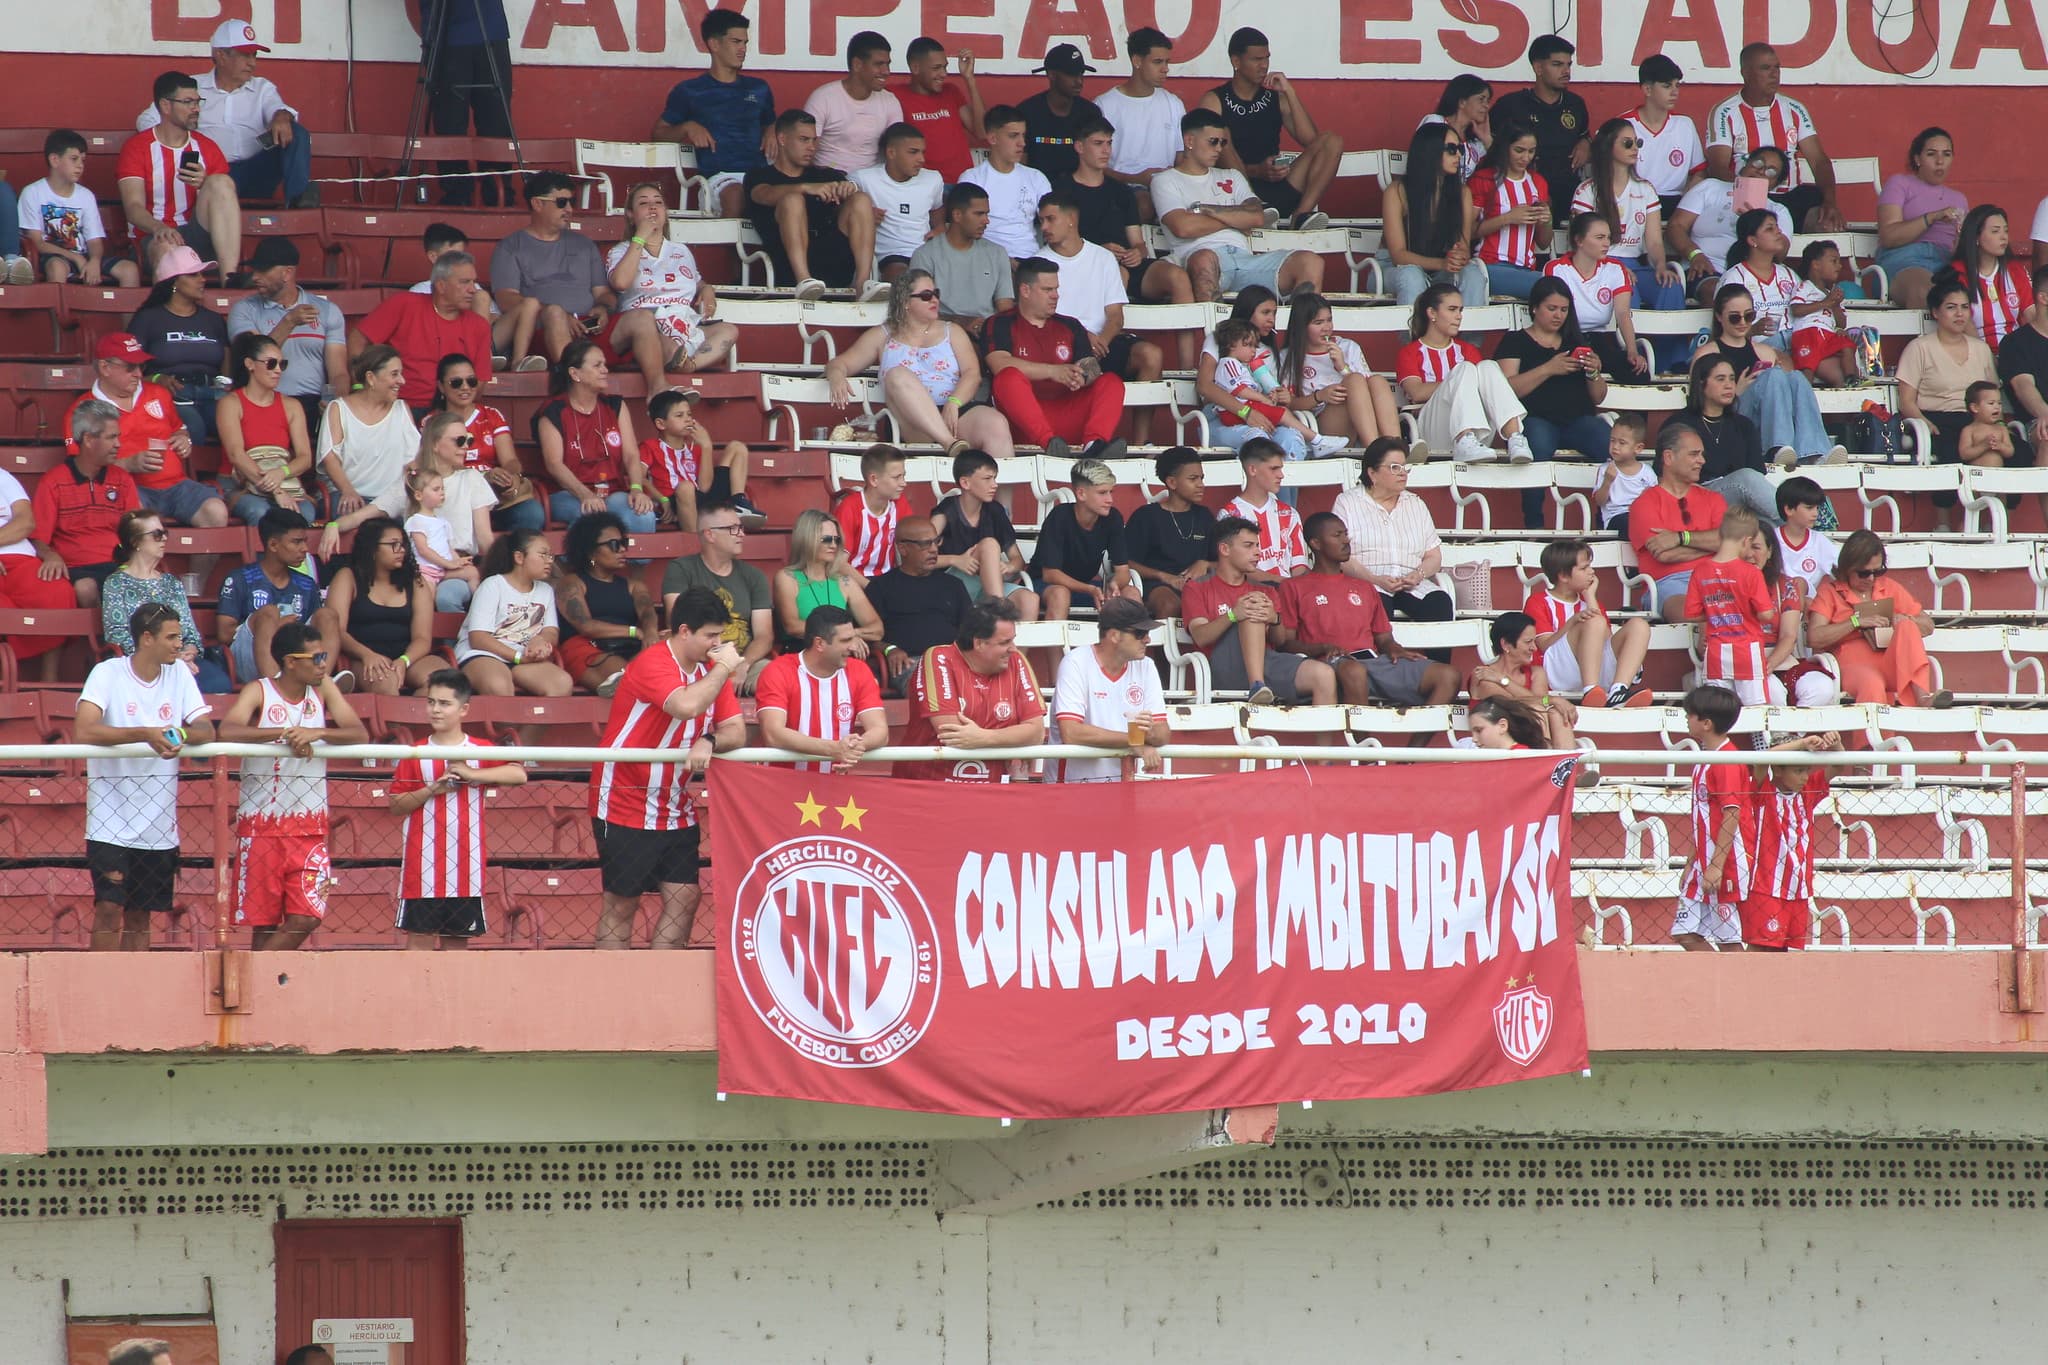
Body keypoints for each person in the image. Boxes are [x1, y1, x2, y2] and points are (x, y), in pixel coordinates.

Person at [589, 585, 744, 947]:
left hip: (674, 803)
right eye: (710, 635)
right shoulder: (654, 662)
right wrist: (723, 669)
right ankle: (609, 994)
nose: (717, 643)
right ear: (684, 631)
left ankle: (660, 987)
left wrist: (711, 740)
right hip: (624, 798)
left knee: (685, 898)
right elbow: (685, 706)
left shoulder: (710, 672)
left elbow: (736, 730)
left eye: (720, 635)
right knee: (622, 905)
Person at [219, 620, 368, 950]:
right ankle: (259, 990)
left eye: (324, 655)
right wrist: (282, 734)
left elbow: (359, 733)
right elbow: (228, 730)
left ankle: (252, 977)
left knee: (307, 916)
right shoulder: (258, 690)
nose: (323, 664)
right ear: (290, 661)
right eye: (316, 657)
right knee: (264, 924)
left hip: (309, 825)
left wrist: (318, 732)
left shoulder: (324, 688)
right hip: (261, 825)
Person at [76, 603, 215, 951]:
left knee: (141, 915)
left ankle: (130, 993)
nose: (178, 644)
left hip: (158, 824)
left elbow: (205, 729)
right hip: (109, 819)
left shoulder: (180, 675)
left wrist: (178, 735)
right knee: (108, 908)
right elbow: (85, 729)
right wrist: (145, 734)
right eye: (172, 637)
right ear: (147, 638)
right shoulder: (107, 673)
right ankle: (100, 988)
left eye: (179, 637)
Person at [388, 668, 526, 949]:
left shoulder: (480, 749)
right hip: (422, 868)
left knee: (457, 950)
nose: (435, 710)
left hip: (467, 869)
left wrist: (474, 775)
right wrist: (431, 790)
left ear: (463, 709)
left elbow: (519, 775)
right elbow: (395, 804)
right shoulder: (416, 752)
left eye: (444, 703)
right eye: (431, 702)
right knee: (419, 948)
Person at [1284, 513, 1458, 708]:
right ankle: (1364, 739)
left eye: (1346, 534)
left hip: (1372, 663)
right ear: (1316, 543)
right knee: (1353, 670)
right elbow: (1286, 644)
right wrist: (1322, 648)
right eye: (1337, 535)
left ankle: (1415, 740)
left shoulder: (1365, 587)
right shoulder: (1294, 587)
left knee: (1448, 676)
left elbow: (1383, 638)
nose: (1345, 540)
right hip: (1327, 664)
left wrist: (1395, 649)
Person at [1056, 117, 1196, 358]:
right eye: (1098, 143)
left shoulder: (1121, 191)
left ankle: (1188, 367)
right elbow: (1058, 240)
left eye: (1109, 143)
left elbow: (1138, 242)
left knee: (1178, 276)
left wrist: (1136, 252)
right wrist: (1100, 251)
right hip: (1085, 266)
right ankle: (1114, 348)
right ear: (1079, 147)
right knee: (1118, 272)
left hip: (1126, 263)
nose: (1106, 150)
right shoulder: (1062, 189)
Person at [1899, 274, 2034, 522]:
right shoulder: (1919, 348)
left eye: (1964, 307)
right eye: (1951, 308)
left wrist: (2000, 425)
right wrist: (1925, 423)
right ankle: (1943, 521)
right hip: (1939, 420)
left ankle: (1993, 522)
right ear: (1935, 312)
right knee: (1949, 453)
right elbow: (1906, 400)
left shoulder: (1981, 349)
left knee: (2019, 452)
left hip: (1979, 419)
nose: (1960, 314)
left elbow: (1993, 396)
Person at [1152, 109, 1323, 306]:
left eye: (1223, 142)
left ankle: (1300, 333)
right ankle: (1212, 336)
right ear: (1190, 141)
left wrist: (1209, 210)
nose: (1219, 148)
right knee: (1203, 259)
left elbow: (1257, 217)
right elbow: (1183, 227)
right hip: (1202, 258)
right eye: (1212, 141)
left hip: (1246, 259)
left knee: (1311, 262)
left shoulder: (1232, 176)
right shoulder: (1165, 180)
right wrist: (1236, 220)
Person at [134, 20, 312, 207]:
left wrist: (281, 117)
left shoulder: (262, 88)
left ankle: (297, 204)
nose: (252, 63)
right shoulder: (193, 86)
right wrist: (181, 142)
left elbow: (279, 110)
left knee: (297, 132)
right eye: (245, 55)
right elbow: (146, 120)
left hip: (256, 172)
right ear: (220, 55)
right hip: (209, 173)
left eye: (254, 55)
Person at [66, 331, 226, 530]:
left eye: (141, 366)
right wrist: (127, 464)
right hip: (127, 488)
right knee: (140, 521)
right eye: (130, 367)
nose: (139, 374)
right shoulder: (83, 410)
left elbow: (179, 429)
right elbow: (79, 469)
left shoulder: (158, 393)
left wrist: (183, 439)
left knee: (216, 512)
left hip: (176, 485)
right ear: (105, 367)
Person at [1196, 27, 1342, 230]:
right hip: (1236, 195)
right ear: (1236, 61)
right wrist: (1257, 171)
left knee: (1332, 141)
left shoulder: (1275, 98)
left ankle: (1300, 216)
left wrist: (1289, 92)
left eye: (1267, 58)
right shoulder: (1214, 100)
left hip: (1278, 188)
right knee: (1222, 132)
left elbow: (1311, 140)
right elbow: (1204, 157)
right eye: (1256, 59)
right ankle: (1253, 207)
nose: (1264, 65)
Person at [1180, 516, 1336, 706]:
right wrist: (1233, 615)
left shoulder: (1267, 590)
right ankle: (1257, 685)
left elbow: (1279, 641)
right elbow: (1201, 636)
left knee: (1324, 675)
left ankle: (1260, 687)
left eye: (1257, 546)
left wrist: (1274, 618)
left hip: (1268, 662)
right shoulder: (1198, 587)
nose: (1257, 552)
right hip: (1223, 666)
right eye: (1248, 546)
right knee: (1251, 607)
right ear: (1224, 549)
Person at [1035, 191, 1164, 418]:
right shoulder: (1039, 263)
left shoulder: (1102, 257)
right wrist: (1082, 337)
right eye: (1041, 221)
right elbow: (1042, 316)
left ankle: (1144, 443)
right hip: (1063, 344)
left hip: (1102, 343)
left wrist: (1101, 342)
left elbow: (1115, 315)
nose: (1044, 226)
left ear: (1071, 219)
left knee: (1151, 355)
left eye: (1050, 219)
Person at [1495, 276, 1610, 525]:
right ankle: (1534, 524)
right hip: (1536, 418)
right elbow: (1506, 389)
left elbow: (1599, 396)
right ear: (1535, 307)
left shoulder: (1576, 342)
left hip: (1578, 419)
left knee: (1608, 441)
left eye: (1564, 310)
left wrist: (1593, 372)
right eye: (1552, 308)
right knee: (1537, 446)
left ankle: (1608, 518)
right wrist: (1548, 368)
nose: (1558, 315)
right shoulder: (1515, 340)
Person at [605, 182, 738, 395]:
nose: (652, 207)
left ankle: (688, 365)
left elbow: (695, 280)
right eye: (644, 203)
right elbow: (620, 282)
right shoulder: (621, 251)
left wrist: (706, 288)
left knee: (729, 330)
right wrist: (640, 238)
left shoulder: (681, 250)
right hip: (647, 326)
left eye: (658, 202)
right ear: (630, 215)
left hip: (682, 322)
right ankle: (676, 367)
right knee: (664, 342)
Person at [986, 257, 1128, 456]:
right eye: (1047, 290)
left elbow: (1090, 364)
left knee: (1111, 381)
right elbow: (999, 363)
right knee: (1007, 377)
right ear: (1025, 290)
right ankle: (1050, 444)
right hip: (1022, 421)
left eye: (1056, 289)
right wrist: (1053, 371)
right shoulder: (1000, 323)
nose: (1055, 296)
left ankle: (1094, 445)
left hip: (1066, 413)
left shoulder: (1070, 325)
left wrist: (1082, 375)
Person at [895, 598, 1046, 782]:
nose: (1013, 649)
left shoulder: (1016, 661)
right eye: (1004, 642)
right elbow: (952, 734)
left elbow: (1036, 732)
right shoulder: (937, 658)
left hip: (989, 794)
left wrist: (984, 737)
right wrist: (1013, 734)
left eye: (1013, 640)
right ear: (979, 643)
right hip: (929, 786)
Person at [1330, 438, 1456, 653]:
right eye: (1394, 467)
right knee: (1376, 603)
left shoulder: (1415, 503)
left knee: (1440, 602)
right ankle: (1380, 676)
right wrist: (1374, 579)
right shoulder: (1348, 502)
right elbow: (1341, 556)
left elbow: (1434, 555)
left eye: (1404, 467)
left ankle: (1436, 675)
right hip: (1367, 581)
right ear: (1372, 473)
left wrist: (1418, 574)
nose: (1403, 473)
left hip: (1410, 582)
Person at [1694, 283, 1839, 469]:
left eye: (1749, 316)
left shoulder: (1766, 352)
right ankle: (1776, 448)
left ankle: (1814, 452)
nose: (1743, 323)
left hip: (1762, 418)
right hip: (1729, 417)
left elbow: (1789, 394)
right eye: (1734, 318)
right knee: (1774, 376)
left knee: (1796, 378)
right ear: (1719, 317)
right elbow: (1697, 404)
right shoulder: (1707, 353)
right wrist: (1736, 391)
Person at [1705, 43, 1844, 232]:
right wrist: (1750, 196)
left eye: (1777, 67)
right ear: (1745, 72)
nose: (1774, 74)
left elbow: (1819, 161)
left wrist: (1830, 202)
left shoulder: (1794, 109)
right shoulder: (1725, 112)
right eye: (1765, 68)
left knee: (1829, 226)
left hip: (1792, 198)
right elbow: (1717, 167)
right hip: (1748, 202)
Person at [744, 110, 882, 299]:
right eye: (803, 139)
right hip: (787, 265)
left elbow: (854, 203)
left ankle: (863, 283)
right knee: (793, 199)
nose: (811, 147)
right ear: (782, 139)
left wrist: (846, 189)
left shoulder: (826, 175)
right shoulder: (759, 175)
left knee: (861, 199)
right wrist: (805, 188)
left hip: (833, 261)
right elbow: (763, 195)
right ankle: (805, 282)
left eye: (814, 140)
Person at [651, 10, 775, 219]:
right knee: (736, 195)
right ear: (714, 44)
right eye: (736, 42)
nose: (742, 49)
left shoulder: (759, 88)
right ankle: (729, 253)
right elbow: (657, 134)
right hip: (718, 179)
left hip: (760, 176)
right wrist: (687, 127)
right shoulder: (690, 90)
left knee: (790, 197)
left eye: (745, 43)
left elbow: (771, 123)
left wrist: (773, 130)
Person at [118, 70, 241, 275]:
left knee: (220, 182)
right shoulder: (137, 148)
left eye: (197, 101)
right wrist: (159, 228)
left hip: (195, 234)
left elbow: (223, 205)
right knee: (167, 248)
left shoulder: (207, 148)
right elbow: (133, 207)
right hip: (153, 237)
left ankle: (229, 280)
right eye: (187, 102)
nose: (195, 109)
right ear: (166, 106)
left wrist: (205, 185)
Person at [1808, 529, 1948, 708]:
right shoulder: (1830, 592)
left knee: (1907, 625)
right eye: (1864, 573)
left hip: (1890, 661)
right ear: (1847, 568)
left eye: (1878, 571)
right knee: (1872, 683)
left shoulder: (1888, 587)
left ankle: (1922, 697)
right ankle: (1877, 737)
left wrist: (1904, 619)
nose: (1871, 578)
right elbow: (1814, 638)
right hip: (1850, 664)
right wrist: (1855, 622)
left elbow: (1928, 625)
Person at [491, 172, 613, 372]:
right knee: (555, 313)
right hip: (542, 329)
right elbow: (506, 299)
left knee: (640, 318)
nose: (569, 209)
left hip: (589, 326)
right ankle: (575, 382)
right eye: (562, 202)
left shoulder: (585, 245)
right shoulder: (510, 247)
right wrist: (558, 313)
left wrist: (603, 309)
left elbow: (603, 293)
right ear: (538, 204)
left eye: (571, 202)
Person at [1396, 284, 1531, 463]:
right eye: (1452, 310)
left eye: (1460, 310)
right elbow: (1417, 392)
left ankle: (1515, 438)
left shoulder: (1468, 350)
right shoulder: (1410, 352)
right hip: (1431, 431)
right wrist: (1455, 380)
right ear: (1432, 313)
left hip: (1478, 434)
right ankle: (1464, 439)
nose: (1459, 316)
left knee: (1488, 366)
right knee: (1465, 369)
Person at [101, 509, 232, 693]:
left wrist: (189, 652)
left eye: (164, 533)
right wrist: (164, 656)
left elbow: (190, 631)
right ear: (136, 542)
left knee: (219, 684)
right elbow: (117, 636)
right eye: (157, 534)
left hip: (180, 659)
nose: (163, 539)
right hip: (141, 664)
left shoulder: (172, 583)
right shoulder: (115, 583)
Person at [534, 339, 657, 534]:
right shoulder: (554, 411)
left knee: (643, 515)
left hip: (612, 491)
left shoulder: (615, 405)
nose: (605, 370)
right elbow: (554, 464)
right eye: (597, 365)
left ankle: (633, 565)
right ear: (575, 374)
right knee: (592, 518)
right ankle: (584, 565)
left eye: (605, 364)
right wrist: (585, 495)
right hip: (567, 493)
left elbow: (632, 455)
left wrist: (636, 489)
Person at [228, 237, 347, 436]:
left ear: (287, 273)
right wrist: (289, 321)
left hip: (311, 402)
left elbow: (339, 373)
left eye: (263, 271)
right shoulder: (243, 309)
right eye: (254, 270)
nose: (255, 277)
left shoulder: (327, 311)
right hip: (263, 401)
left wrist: (336, 403)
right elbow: (254, 359)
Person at [348, 251, 493, 409]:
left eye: (474, 282)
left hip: (449, 413)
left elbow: (479, 383)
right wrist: (359, 387)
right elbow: (357, 339)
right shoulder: (404, 304)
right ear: (441, 285)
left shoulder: (479, 325)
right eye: (465, 282)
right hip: (396, 407)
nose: (473, 289)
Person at [34, 399, 141, 610]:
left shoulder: (123, 479)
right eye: (111, 437)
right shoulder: (53, 481)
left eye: (118, 437)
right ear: (89, 439)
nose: (118, 444)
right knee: (85, 588)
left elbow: (135, 532)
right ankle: (107, 641)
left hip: (118, 564)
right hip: (76, 568)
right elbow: (38, 540)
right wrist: (50, 555)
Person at [755, 604, 889, 770]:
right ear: (819, 643)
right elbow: (773, 734)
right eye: (845, 640)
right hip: (781, 784)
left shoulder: (859, 670)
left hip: (835, 786)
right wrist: (834, 749)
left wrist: (855, 746)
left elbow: (880, 731)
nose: (854, 646)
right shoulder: (778, 671)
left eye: (853, 638)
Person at [1571, 117, 1685, 313]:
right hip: (1600, 266)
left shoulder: (1646, 189)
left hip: (1637, 265)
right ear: (1608, 147)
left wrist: (1660, 265)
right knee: (1627, 289)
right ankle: (1629, 344)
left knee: (1671, 286)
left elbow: (1655, 242)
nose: (1635, 148)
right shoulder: (1587, 191)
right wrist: (1615, 268)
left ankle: (1667, 345)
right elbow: (1580, 244)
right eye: (1627, 143)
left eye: (1637, 143)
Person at [1050, 596, 1169, 781]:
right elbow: (1071, 733)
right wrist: (1133, 741)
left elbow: (1163, 733)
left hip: (1121, 786)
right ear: (1114, 635)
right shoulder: (1075, 663)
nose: (1147, 639)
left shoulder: (1147, 666)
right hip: (1070, 787)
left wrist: (1151, 733)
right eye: (1139, 633)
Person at [1742, 733, 1842, 951]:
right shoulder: (1763, 791)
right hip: (1766, 887)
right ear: (1777, 770)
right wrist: (1801, 744)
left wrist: (1837, 745)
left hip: (1799, 890)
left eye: (1806, 770)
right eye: (1798, 771)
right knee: (1760, 949)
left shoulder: (1807, 792)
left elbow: (1838, 765)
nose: (1804, 777)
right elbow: (1761, 760)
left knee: (1786, 953)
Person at [661, 503, 773, 695]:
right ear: (709, 534)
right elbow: (679, 624)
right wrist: (721, 668)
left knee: (775, 679)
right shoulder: (681, 569)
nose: (741, 534)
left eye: (741, 528)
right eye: (732, 529)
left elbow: (764, 636)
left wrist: (742, 664)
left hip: (743, 661)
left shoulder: (754, 576)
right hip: (696, 659)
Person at [1524, 538, 1650, 707]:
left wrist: (1590, 596)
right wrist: (1573, 622)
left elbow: (1605, 640)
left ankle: (1618, 691)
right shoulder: (1538, 601)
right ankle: (1590, 690)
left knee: (1639, 625)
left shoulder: (1590, 602)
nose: (1592, 572)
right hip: (1559, 670)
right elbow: (1544, 645)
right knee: (1593, 621)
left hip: (1596, 666)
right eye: (1584, 568)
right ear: (1563, 576)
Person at [1674, 683, 1753, 950]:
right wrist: (1692, 860)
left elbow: (1732, 814)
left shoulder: (1726, 761)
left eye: (1690, 714)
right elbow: (1703, 817)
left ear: (1706, 723)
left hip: (1725, 862)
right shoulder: (1706, 759)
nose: (1686, 718)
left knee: (1728, 940)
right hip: (1704, 861)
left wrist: (1717, 865)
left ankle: (1733, 989)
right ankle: (1718, 986)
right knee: (1685, 933)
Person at [430, 352, 544, 536]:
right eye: (456, 382)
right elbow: (432, 467)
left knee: (531, 513)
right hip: (454, 497)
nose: (465, 387)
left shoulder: (492, 415)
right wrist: (483, 476)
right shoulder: (432, 422)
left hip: (495, 496)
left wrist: (506, 475)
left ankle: (516, 562)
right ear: (441, 387)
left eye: (471, 381)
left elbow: (511, 460)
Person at [324, 516, 438, 697]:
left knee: (446, 683)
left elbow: (422, 638)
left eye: (403, 545)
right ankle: (395, 724)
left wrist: (404, 660)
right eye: (393, 544)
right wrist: (367, 655)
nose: (400, 550)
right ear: (372, 549)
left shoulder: (416, 582)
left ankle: (415, 721)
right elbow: (337, 631)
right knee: (386, 684)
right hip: (363, 657)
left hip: (408, 657)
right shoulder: (348, 577)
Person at [218, 507, 335, 684]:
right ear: (273, 545)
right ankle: (276, 688)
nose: (304, 548)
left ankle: (323, 683)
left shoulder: (306, 584)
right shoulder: (240, 578)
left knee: (328, 615)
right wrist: (274, 627)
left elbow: (315, 633)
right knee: (269, 613)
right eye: (296, 542)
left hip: (295, 657)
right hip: (250, 659)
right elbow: (224, 634)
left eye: (305, 541)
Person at [128, 246, 231, 446]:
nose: (202, 279)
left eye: (202, 273)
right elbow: (128, 366)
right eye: (194, 274)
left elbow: (226, 359)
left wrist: (223, 388)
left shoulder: (213, 319)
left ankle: (226, 477)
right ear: (174, 282)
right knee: (193, 428)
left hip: (212, 392)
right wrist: (155, 378)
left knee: (235, 424)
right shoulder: (148, 319)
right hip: (172, 395)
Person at [1628, 422, 1729, 622]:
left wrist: (1680, 537)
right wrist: (1716, 546)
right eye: (1694, 454)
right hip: (1669, 585)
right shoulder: (1644, 503)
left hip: (1718, 579)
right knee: (1705, 616)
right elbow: (1664, 554)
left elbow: (1732, 541)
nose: (1701, 460)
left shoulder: (1714, 499)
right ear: (1668, 457)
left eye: (1701, 454)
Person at [419, 0, 515, 206]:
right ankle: (456, 193)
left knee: (496, 120)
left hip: (489, 30)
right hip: (444, 35)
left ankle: (497, 193)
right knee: (449, 122)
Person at [1277, 291, 1401, 452]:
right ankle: (1376, 452)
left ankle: (1395, 447)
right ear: (1302, 326)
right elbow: (1289, 404)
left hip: (1363, 422)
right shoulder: (1288, 356)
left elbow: (1369, 389)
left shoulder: (1348, 347)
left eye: (1329, 320)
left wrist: (1342, 367)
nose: (1326, 328)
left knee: (1377, 380)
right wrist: (1319, 396)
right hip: (1322, 425)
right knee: (1354, 380)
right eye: (1318, 322)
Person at [1668, 147, 1793, 303]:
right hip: (1704, 268)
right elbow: (1676, 226)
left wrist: (1754, 218)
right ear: (1745, 164)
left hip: (1750, 275)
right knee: (1718, 292)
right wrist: (1695, 254)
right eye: (1758, 162)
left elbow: (1779, 254)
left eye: (1771, 172)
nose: (1761, 171)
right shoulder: (1710, 188)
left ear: (1776, 184)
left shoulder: (1778, 211)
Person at [1488, 35, 1590, 226]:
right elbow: (1489, 146)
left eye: (1568, 65)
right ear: (1538, 68)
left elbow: (1585, 135)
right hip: (1521, 193)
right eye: (1557, 64)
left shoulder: (1576, 104)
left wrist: (1586, 142)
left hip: (1568, 191)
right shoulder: (1511, 105)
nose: (1566, 71)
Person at [318, 345, 418, 541]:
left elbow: (413, 459)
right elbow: (330, 458)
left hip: (392, 499)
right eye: (394, 374)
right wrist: (348, 491)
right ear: (371, 378)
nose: (402, 381)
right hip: (350, 494)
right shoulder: (338, 408)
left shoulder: (401, 408)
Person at [457, 529, 571, 698]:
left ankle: (522, 726)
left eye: (551, 556)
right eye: (542, 555)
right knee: (499, 685)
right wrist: (517, 657)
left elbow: (551, 631)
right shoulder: (493, 585)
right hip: (484, 654)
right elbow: (479, 638)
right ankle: (508, 726)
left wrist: (540, 641)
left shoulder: (545, 590)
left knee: (561, 684)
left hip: (525, 657)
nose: (549, 562)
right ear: (519, 557)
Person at [19, 128, 140, 286]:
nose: (80, 166)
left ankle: (129, 312)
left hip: (84, 255)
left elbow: (94, 240)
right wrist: (74, 257)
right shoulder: (32, 192)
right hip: (53, 256)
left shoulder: (86, 195)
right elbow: (37, 242)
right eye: (74, 159)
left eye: (83, 160)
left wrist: (95, 261)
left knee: (129, 269)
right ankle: (59, 311)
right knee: (57, 267)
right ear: (54, 160)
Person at [556, 511, 659, 697]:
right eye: (614, 545)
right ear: (591, 551)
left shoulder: (634, 586)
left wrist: (650, 632)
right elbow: (587, 626)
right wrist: (634, 631)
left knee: (675, 643)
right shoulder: (571, 583)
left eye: (623, 543)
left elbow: (648, 613)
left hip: (630, 646)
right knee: (627, 679)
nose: (622, 549)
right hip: (586, 647)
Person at [1383, 122, 1484, 308]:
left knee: (1473, 274)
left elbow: (1464, 247)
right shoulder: (1397, 191)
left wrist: (1458, 256)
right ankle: (1413, 338)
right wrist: (1442, 263)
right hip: (1392, 269)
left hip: (1439, 268)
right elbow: (1398, 255)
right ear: (1431, 151)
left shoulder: (1462, 193)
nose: (1459, 155)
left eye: (1460, 148)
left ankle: (1469, 338)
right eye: (1451, 149)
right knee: (1411, 275)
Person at [1682, 506, 1776, 704]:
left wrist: (1717, 611)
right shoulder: (1751, 573)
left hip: (1716, 651)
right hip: (1747, 651)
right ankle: (1760, 737)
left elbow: (1691, 614)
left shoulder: (1700, 571)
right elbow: (1766, 614)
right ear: (1746, 541)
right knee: (1757, 709)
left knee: (1718, 709)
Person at [867, 516, 972, 692]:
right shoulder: (880, 588)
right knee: (934, 686)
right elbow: (867, 637)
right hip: (910, 663)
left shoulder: (953, 585)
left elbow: (972, 631)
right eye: (925, 544)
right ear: (903, 548)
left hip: (953, 661)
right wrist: (889, 649)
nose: (933, 550)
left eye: (936, 542)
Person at [0, 439, 74, 681]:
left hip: (19, 557)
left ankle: (48, 682)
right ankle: (6, 682)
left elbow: (26, 522)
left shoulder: (4, 477)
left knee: (57, 591)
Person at [1542, 212, 1649, 380]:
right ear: (1579, 240)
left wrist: (1632, 351)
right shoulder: (1556, 269)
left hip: (1599, 339)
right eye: (1599, 237)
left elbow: (1623, 313)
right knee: (1574, 375)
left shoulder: (1615, 268)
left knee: (1638, 372)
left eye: (1608, 237)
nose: (1606, 243)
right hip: (1565, 338)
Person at [1676, 352, 1780, 525]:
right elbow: (1664, 470)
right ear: (1702, 383)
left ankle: (1803, 536)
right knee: (1746, 477)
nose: (1729, 385)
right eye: (1720, 379)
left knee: (1767, 525)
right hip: (1697, 497)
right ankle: (1798, 518)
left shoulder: (1743, 424)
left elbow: (1757, 472)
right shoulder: (1681, 424)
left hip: (1739, 504)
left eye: (1732, 379)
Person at [1030, 457, 1139, 619]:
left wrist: (1115, 584)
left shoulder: (1113, 518)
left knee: (1132, 592)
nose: (1110, 499)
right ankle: (1055, 645)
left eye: (1111, 492)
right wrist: (1089, 589)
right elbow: (1050, 574)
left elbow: (1123, 570)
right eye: (1102, 493)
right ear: (1081, 493)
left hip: (1086, 587)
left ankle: (1133, 644)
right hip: (1044, 585)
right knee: (1061, 594)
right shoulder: (1059, 517)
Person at [931, 449, 1037, 613]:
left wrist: (1008, 566)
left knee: (1030, 600)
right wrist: (955, 560)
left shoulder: (995, 511)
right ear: (965, 483)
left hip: (985, 587)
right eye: (987, 479)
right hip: (949, 587)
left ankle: (1008, 636)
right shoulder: (946, 512)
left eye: (995, 478)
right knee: (989, 544)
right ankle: (998, 613)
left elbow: (1018, 560)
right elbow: (920, 557)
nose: (994, 484)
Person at [1211, 319, 1332, 461]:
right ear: (1231, 345)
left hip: (1247, 407)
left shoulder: (1242, 366)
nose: (1253, 351)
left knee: (1282, 421)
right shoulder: (1228, 363)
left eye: (1255, 346)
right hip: (1235, 410)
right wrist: (1264, 399)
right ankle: (1316, 440)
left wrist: (1270, 396)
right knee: (1282, 413)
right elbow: (1240, 390)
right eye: (1248, 345)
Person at [641, 388, 760, 532]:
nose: (687, 419)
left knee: (737, 447)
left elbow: (704, 487)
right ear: (661, 424)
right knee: (685, 487)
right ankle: (694, 538)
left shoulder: (695, 448)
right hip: (676, 503)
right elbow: (638, 477)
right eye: (679, 415)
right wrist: (662, 499)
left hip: (701, 498)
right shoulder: (650, 446)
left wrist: (706, 446)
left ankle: (739, 503)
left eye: (689, 414)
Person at [907, 184, 1018, 333]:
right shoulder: (925, 255)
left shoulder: (998, 253)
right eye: (979, 214)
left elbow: (1005, 308)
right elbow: (918, 308)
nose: (986, 221)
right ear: (957, 215)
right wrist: (961, 322)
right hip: (941, 332)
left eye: (987, 214)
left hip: (986, 333)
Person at [1874, 127, 1964, 310]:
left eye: (1946, 155)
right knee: (1926, 292)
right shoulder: (1900, 183)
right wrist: (1933, 217)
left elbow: (1961, 250)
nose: (1940, 161)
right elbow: (1888, 237)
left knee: (1967, 298)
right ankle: (1926, 340)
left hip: (1946, 264)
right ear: (1917, 159)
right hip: (1905, 261)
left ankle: (1978, 340)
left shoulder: (1959, 199)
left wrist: (1962, 243)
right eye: (1931, 154)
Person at [1097, 27, 1186, 209]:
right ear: (1137, 61)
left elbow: (1182, 157)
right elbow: (1093, 165)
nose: (1165, 69)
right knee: (1143, 203)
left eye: (1167, 62)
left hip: (1167, 188)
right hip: (1118, 188)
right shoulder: (1104, 105)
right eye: (1158, 62)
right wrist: (1135, 179)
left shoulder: (1174, 104)